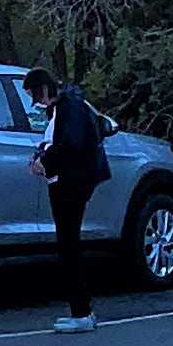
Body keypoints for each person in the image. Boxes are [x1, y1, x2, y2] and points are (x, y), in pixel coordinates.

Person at [40, 83, 116, 329]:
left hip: (70, 184)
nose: (37, 103)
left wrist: (45, 161)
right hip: (70, 182)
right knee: (68, 243)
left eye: (34, 95)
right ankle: (80, 311)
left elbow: (69, 146)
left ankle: (81, 312)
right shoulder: (68, 107)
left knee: (69, 244)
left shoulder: (69, 109)